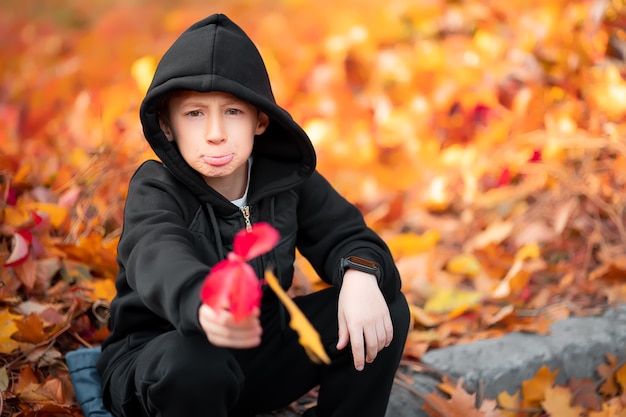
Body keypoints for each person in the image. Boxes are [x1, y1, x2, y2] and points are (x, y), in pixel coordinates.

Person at [96, 13, 410, 417]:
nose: (215, 132)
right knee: (194, 362)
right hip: (161, 368)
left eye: (232, 112)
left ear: (260, 120)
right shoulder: (156, 188)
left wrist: (360, 273)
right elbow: (157, 254)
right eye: (194, 114)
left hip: (254, 355)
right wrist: (203, 303)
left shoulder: (284, 179)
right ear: (167, 124)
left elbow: (348, 235)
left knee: (386, 305)